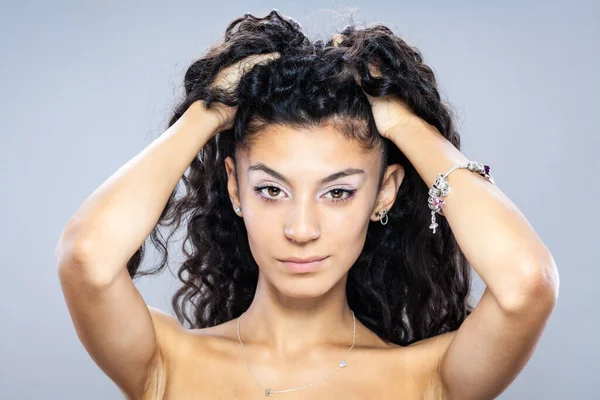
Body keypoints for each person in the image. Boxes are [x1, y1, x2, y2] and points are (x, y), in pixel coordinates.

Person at [55, 10, 559, 399]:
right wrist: (205, 114)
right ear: (235, 188)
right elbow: (86, 259)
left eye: (337, 192)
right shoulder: (167, 360)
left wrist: (406, 125)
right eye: (271, 189)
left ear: (383, 192)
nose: (301, 228)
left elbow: (526, 284)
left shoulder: (424, 380)